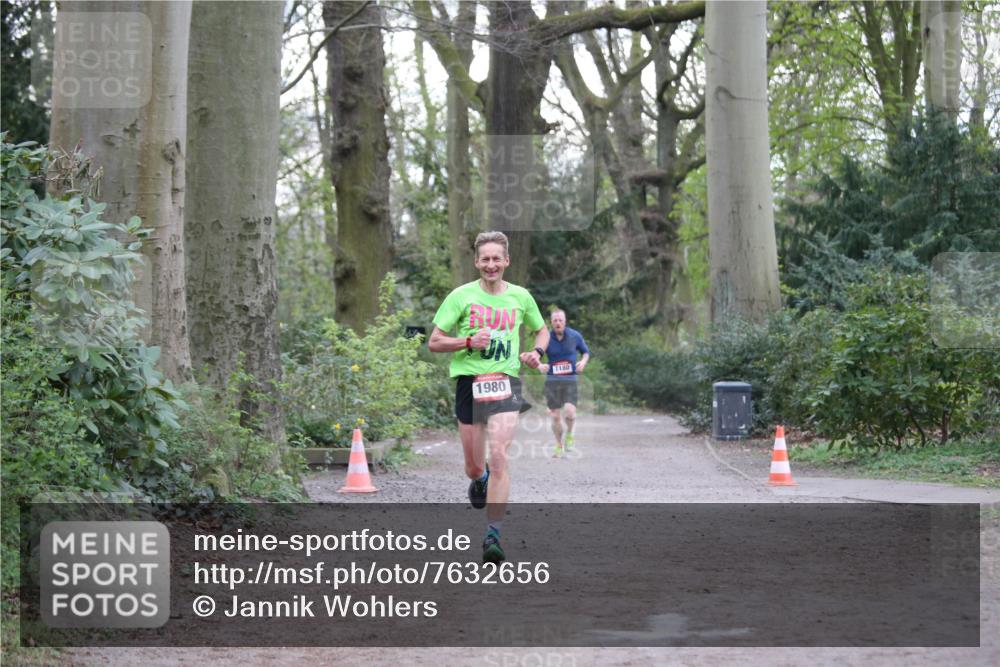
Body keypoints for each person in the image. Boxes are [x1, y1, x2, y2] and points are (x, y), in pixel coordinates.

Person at [428, 231, 549, 564]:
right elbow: (435, 342)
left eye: (497, 258)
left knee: (498, 457)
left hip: (504, 381)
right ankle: (478, 479)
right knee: (473, 466)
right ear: (476, 262)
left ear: (506, 261)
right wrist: (468, 342)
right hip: (469, 382)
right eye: (485, 259)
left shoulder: (521, 297)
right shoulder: (460, 296)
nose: (491, 264)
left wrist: (537, 352)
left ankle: (493, 535)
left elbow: (541, 330)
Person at [537, 308, 590, 458]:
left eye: (560, 320)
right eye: (555, 320)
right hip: (552, 382)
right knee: (555, 417)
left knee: (570, 412)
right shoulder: (546, 338)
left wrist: (583, 362)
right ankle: (558, 445)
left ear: (565, 321)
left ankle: (570, 434)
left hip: (570, 380)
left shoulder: (574, 336)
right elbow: (536, 356)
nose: (558, 323)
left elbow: (586, 352)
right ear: (551, 322)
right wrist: (540, 365)